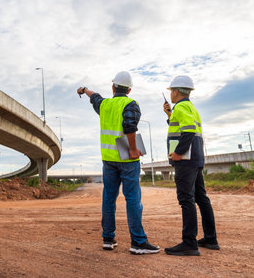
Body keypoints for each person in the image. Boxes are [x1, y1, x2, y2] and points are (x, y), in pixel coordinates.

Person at [77, 71, 160, 254]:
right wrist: (132, 148)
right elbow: (129, 126)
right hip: (127, 160)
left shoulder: (105, 105)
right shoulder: (131, 104)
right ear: (129, 89)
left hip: (108, 160)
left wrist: (84, 89)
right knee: (133, 200)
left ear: (113, 87)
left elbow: (94, 97)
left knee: (109, 199)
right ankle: (138, 242)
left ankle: (108, 238)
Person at [163, 75, 219, 256]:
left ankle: (189, 242)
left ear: (176, 91)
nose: (170, 94)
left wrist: (178, 153)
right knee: (201, 198)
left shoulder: (181, 106)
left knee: (186, 199)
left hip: (186, 161)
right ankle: (210, 239)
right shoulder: (190, 108)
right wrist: (170, 116)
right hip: (196, 159)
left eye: (171, 90)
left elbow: (188, 131)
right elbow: (184, 128)